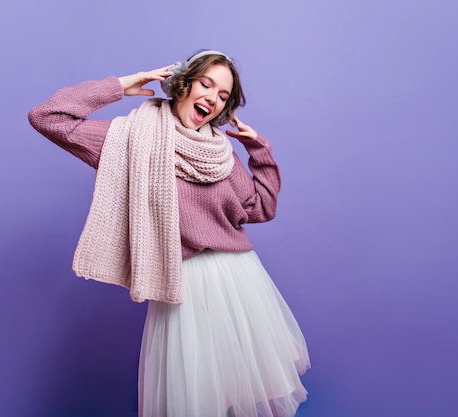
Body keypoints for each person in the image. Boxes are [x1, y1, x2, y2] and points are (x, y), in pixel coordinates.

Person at [28, 50, 310, 417]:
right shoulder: (129, 138)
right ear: (183, 83)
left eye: (223, 95)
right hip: (182, 284)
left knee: (237, 396)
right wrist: (121, 85)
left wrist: (259, 148)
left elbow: (261, 208)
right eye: (205, 84)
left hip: (240, 281)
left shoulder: (221, 153)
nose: (212, 98)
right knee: (194, 398)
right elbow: (47, 117)